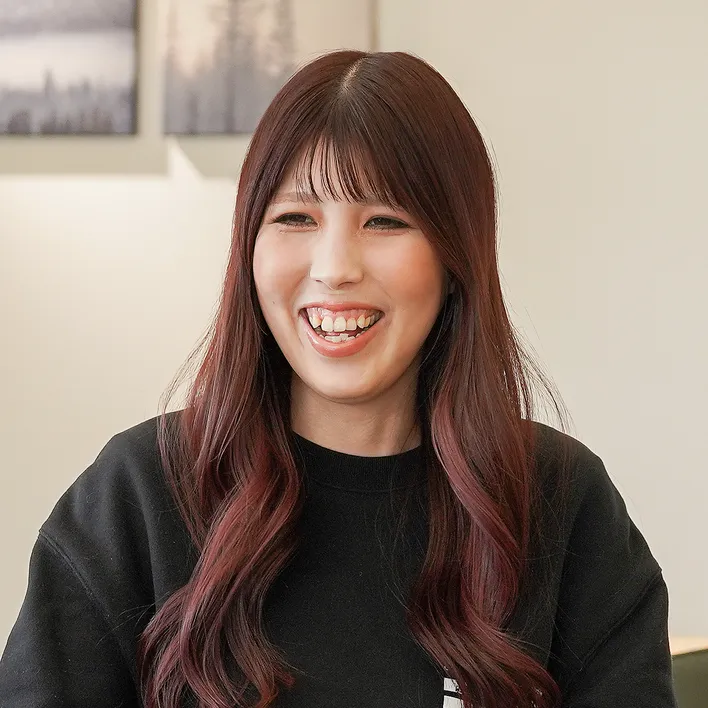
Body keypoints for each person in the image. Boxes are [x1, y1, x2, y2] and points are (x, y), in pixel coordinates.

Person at [0, 50, 676, 708]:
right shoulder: (138, 493)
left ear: (455, 257)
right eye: (296, 218)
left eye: (384, 221)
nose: (334, 268)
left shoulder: (561, 502)